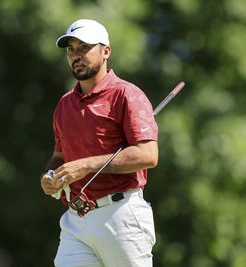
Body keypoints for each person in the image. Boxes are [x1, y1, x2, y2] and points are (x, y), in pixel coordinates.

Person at [40, 18, 158, 267]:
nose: (76, 55)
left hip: (121, 216)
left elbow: (148, 155)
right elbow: (60, 155)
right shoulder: (64, 104)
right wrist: (50, 175)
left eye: (84, 47)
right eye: (71, 49)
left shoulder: (126, 94)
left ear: (106, 51)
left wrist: (86, 166)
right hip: (77, 220)